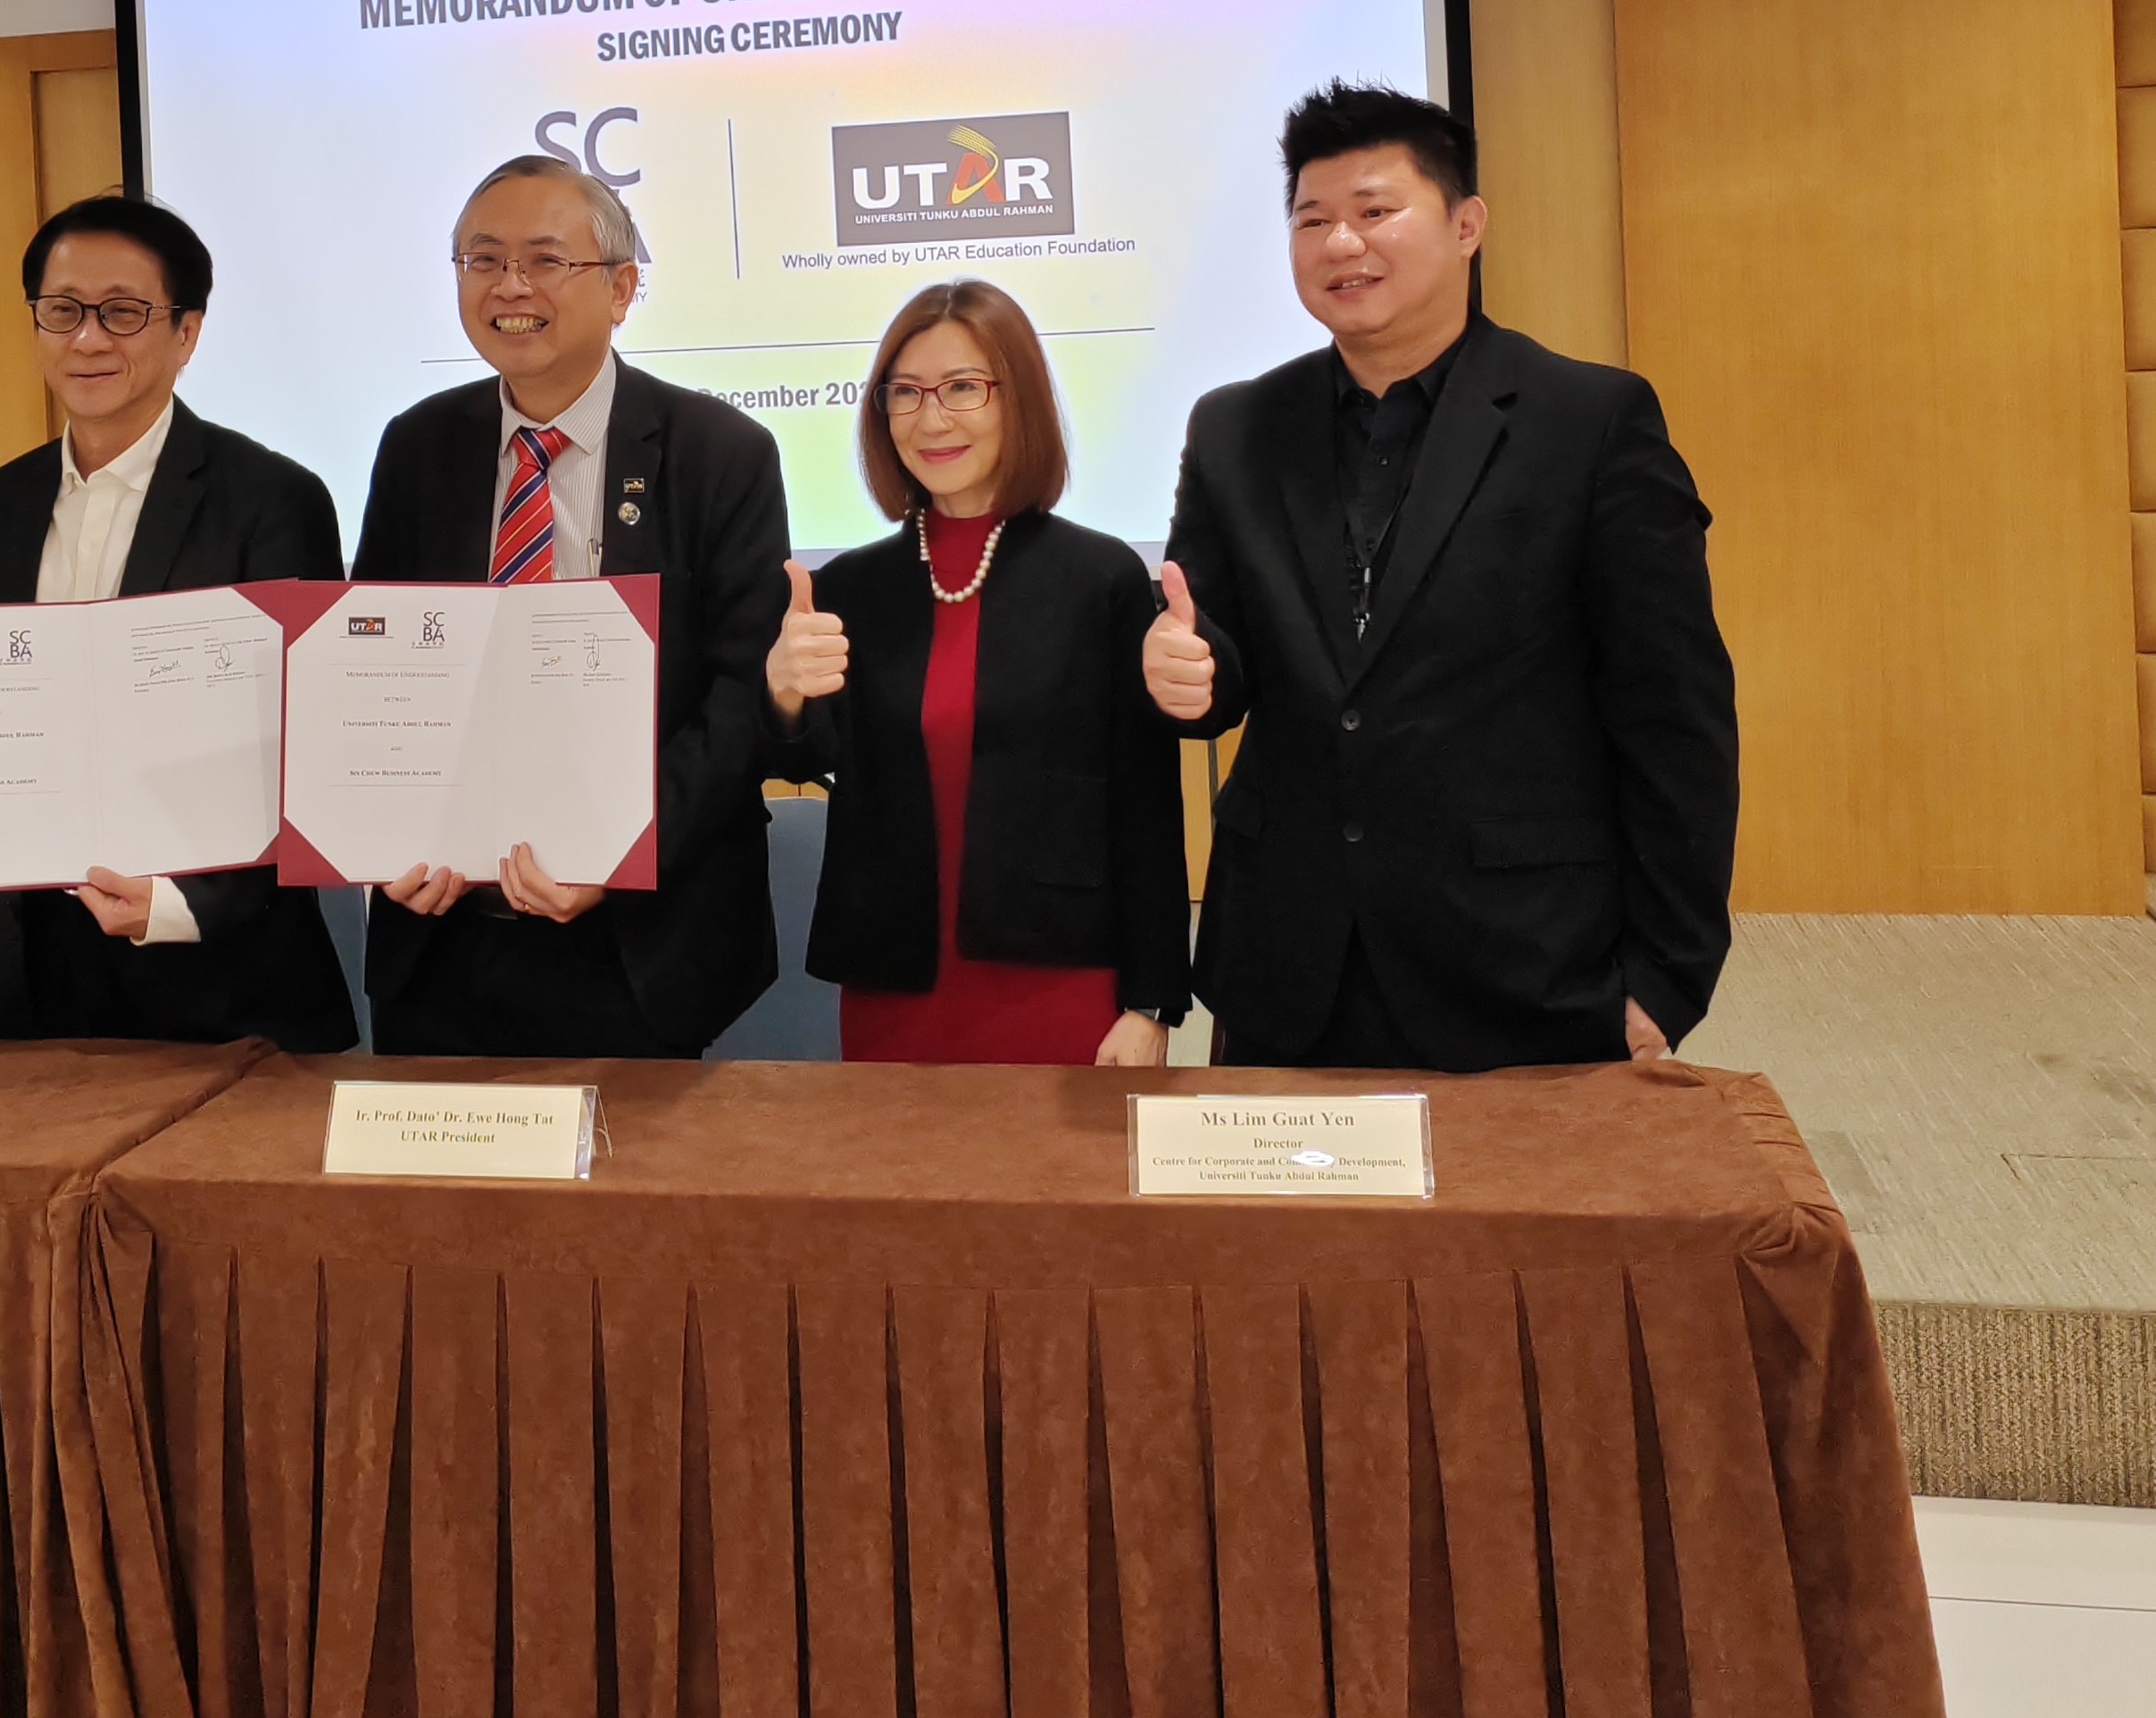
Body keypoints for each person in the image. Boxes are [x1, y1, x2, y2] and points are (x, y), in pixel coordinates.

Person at [1144, 80, 1736, 1072]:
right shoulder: (1236, 426)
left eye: (1375, 212)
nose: (1341, 244)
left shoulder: (1588, 422)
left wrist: (1667, 975)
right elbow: (1217, 649)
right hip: (1286, 958)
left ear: (1466, 226)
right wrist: (1186, 670)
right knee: (1284, 1231)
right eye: (1313, 220)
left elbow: (1673, 712)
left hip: (1521, 959)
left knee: (1512, 1231)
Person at [0, 193, 358, 1050]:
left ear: (187, 333)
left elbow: (302, 742)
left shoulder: (273, 501)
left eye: (124, 313)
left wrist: (176, 906)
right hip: (28, 980)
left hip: (220, 983)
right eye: (61, 312)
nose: (88, 339)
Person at [351, 154, 790, 1057]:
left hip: (640, 942)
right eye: (482, 261)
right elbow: (373, 671)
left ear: (623, 288)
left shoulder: (720, 453)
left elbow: (738, 694)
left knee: (635, 1197)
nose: (510, 287)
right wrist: (391, 836)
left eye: (546, 260)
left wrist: (618, 849)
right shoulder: (418, 446)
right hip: (443, 932)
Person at [766, 279, 1188, 1063]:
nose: (932, 419)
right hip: (894, 984)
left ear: (1016, 398)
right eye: (907, 393)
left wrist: (1153, 1001)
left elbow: (1145, 804)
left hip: (1060, 983)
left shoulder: (1101, 579)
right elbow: (808, 761)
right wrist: (785, 693)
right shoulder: (849, 588)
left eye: (963, 388)